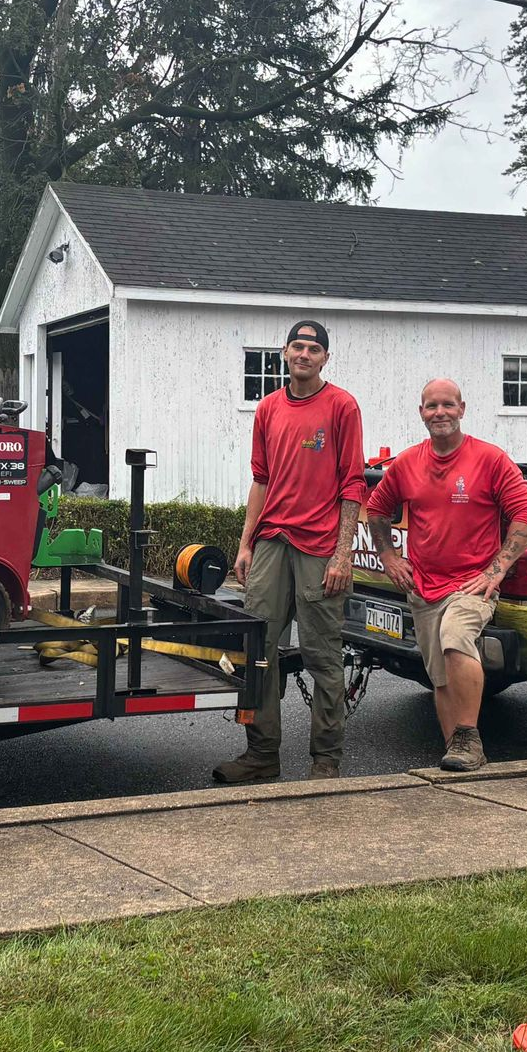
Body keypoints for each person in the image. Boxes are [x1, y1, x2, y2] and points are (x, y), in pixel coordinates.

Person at [216, 319, 366, 784]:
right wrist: (245, 544)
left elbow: (354, 484)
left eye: (313, 348)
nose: (304, 354)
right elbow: (261, 479)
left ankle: (326, 760)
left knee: (323, 657)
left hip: (320, 548)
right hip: (270, 543)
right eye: (296, 346)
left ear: (325, 358)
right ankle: (262, 755)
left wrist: (344, 555)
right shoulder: (268, 409)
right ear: (284, 352)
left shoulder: (342, 406)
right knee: (257, 649)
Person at [366, 378, 527, 772]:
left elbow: (526, 513)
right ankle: (457, 754)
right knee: (440, 678)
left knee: (455, 638)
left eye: (447, 405)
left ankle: (469, 737)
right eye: (431, 406)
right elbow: (377, 508)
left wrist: (497, 568)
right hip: (423, 587)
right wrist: (390, 558)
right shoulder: (408, 463)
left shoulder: (490, 459)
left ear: (462, 409)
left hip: (470, 584)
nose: (439, 412)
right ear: (421, 412)